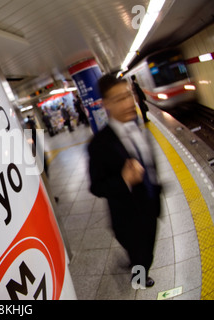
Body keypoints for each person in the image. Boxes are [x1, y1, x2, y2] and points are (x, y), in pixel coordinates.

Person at [88, 74, 162, 288]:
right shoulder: (99, 144)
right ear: (106, 104)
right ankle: (139, 279)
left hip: (150, 203)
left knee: (146, 248)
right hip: (128, 216)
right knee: (142, 253)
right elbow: (96, 186)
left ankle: (136, 263)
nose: (129, 102)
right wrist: (123, 180)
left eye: (128, 95)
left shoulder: (135, 125)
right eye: (119, 99)